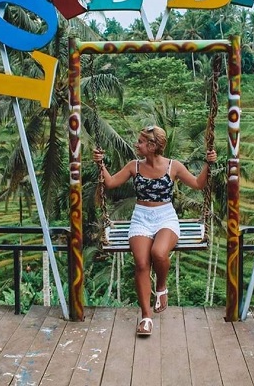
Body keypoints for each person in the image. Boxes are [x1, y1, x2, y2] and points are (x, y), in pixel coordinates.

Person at [93, 125, 217, 337]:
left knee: (158, 253)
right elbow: (111, 182)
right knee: (141, 263)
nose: (136, 144)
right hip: (141, 217)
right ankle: (146, 317)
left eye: (141, 141)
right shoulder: (134, 166)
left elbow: (198, 184)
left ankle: (161, 287)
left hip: (166, 217)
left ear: (152, 146)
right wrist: (100, 164)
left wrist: (208, 164)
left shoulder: (173, 166)